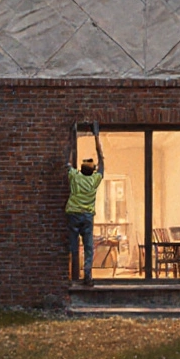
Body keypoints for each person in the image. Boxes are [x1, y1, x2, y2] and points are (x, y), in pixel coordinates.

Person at [66, 120, 104, 286]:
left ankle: (70, 276)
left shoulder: (75, 176)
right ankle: (87, 275)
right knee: (88, 247)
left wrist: (71, 137)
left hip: (73, 214)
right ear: (92, 170)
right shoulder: (95, 180)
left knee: (73, 246)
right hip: (87, 216)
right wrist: (96, 136)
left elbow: (67, 163)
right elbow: (102, 161)